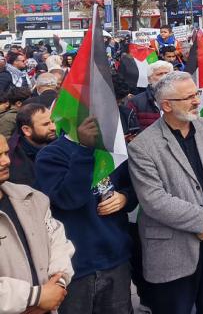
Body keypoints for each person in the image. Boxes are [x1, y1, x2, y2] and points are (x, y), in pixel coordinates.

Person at [128, 71, 203, 314]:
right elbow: (154, 200)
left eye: (196, 93)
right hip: (173, 253)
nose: (197, 100)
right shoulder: (142, 146)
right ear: (166, 105)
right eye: (188, 97)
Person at [35, 115, 136, 313]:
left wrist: (125, 198)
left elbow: (133, 187)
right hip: (77, 265)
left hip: (116, 258)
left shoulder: (111, 148)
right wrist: (84, 149)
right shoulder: (50, 155)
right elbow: (68, 199)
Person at [0, 133, 75, 314]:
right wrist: (36, 297)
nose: (6, 161)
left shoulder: (32, 198)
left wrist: (57, 284)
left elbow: (57, 241)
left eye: (6, 153)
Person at [7, 103, 58, 187]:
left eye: (53, 121)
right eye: (45, 124)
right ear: (27, 130)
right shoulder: (14, 159)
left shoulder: (59, 145)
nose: (53, 127)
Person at [126, 60, 174, 130]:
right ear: (149, 79)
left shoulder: (183, 98)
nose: (164, 77)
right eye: (159, 74)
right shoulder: (136, 102)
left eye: (167, 73)